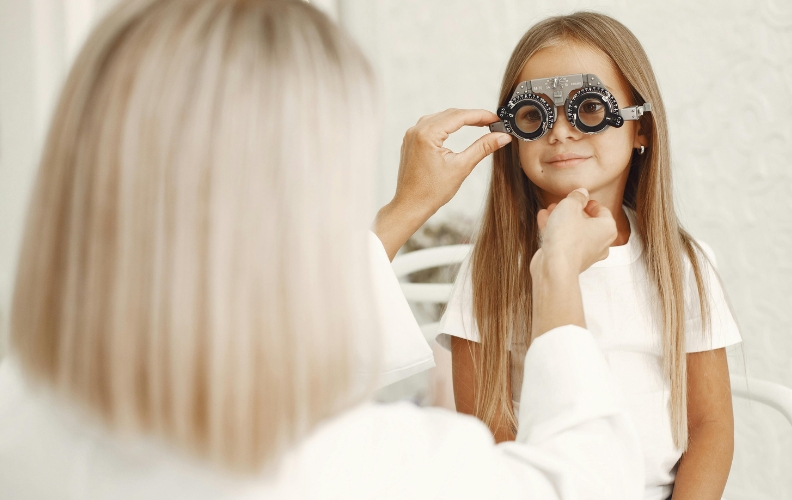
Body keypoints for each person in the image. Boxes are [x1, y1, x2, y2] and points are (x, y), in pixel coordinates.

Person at [0, 1, 644, 499]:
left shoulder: (21, 422)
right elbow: (581, 484)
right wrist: (556, 272)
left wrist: (401, 212)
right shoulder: (366, 468)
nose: (560, 132)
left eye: (588, 110)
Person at [438, 13, 742, 500]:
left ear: (640, 129)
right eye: (535, 115)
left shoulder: (682, 262)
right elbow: (486, 426)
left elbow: (710, 427)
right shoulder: (491, 269)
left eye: (590, 110)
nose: (559, 133)